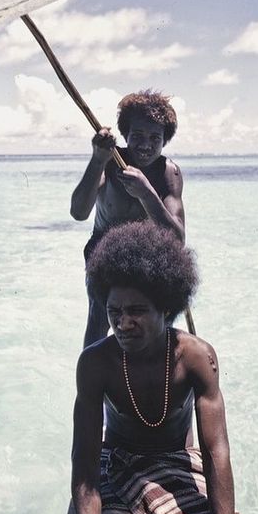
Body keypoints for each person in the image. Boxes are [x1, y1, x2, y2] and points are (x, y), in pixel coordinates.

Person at [71, 221, 243, 514]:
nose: (122, 323)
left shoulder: (195, 358)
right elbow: (85, 464)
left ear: (166, 308)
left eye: (136, 311)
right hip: (117, 469)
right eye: (114, 311)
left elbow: (216, 451)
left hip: (178, 464)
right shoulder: (95, 364)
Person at [70, 90, 185, 347]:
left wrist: (147, 193)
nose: (145, 145)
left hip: (148, 257)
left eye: (155, 137)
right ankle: (91, 383)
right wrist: (97, 160)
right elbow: (78, 212)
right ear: (126, 135)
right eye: (138, 136)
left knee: (156, 324)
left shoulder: (169, 173)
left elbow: (177, 240)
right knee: (99, 319)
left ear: (165, 140)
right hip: (104, 254)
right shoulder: (111, 161)